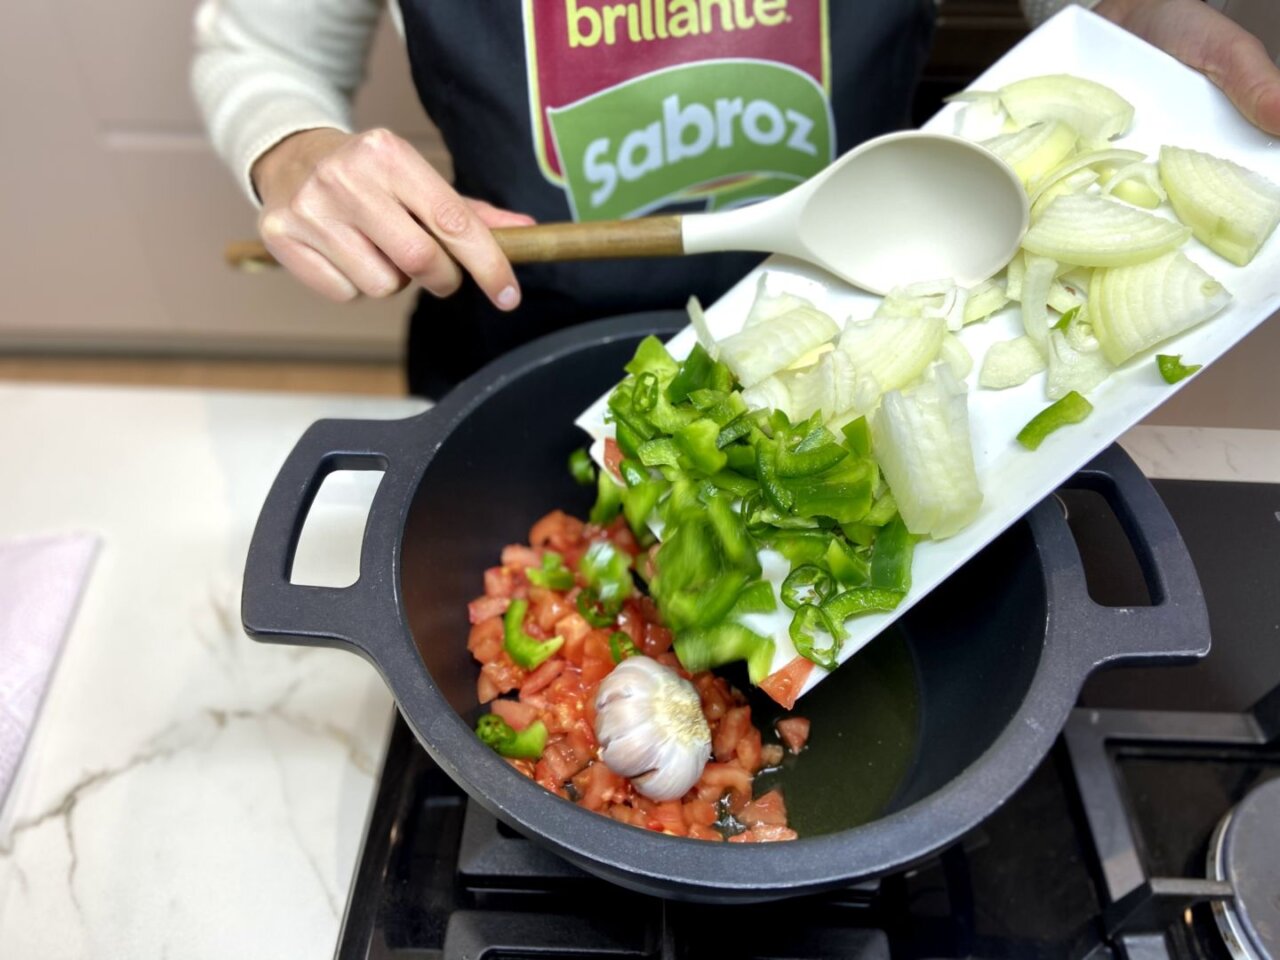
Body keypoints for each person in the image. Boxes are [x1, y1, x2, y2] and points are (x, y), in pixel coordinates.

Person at [192, 0, 1280, 399]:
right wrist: (295, 152)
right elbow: (261, 43)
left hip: (859, 340)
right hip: (520, 350)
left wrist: (1129, 26)